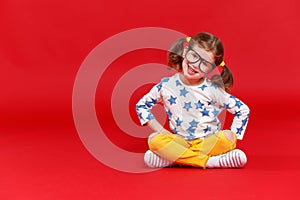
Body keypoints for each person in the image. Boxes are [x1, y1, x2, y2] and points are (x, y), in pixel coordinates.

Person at [136, 32, 250, 169]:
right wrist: (161, 131)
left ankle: (175, 160)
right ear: (185, 51)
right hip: (180, 142)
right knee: (154, 140)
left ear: (211, 68)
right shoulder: (166, 86)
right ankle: (212, 162)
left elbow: (243, 110)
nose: (195, 65)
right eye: (194, 56)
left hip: (208, 142)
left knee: (228, 137)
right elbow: (141, 105)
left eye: (204, 63)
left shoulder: (212, 90)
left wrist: (235, 134)